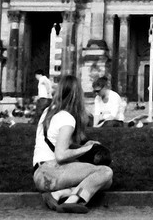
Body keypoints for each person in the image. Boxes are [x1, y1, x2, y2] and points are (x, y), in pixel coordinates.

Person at [32, 74, 113, 214]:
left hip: (40, 174)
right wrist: (87, 149)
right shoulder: (67, 118)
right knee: (105, 172)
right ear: (77, 94)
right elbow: (61, 155)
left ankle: (60, 194)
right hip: (52, 172)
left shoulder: (48, 112)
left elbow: (56, 144)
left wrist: (82, 146)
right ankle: (71, 201)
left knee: (106, 182)